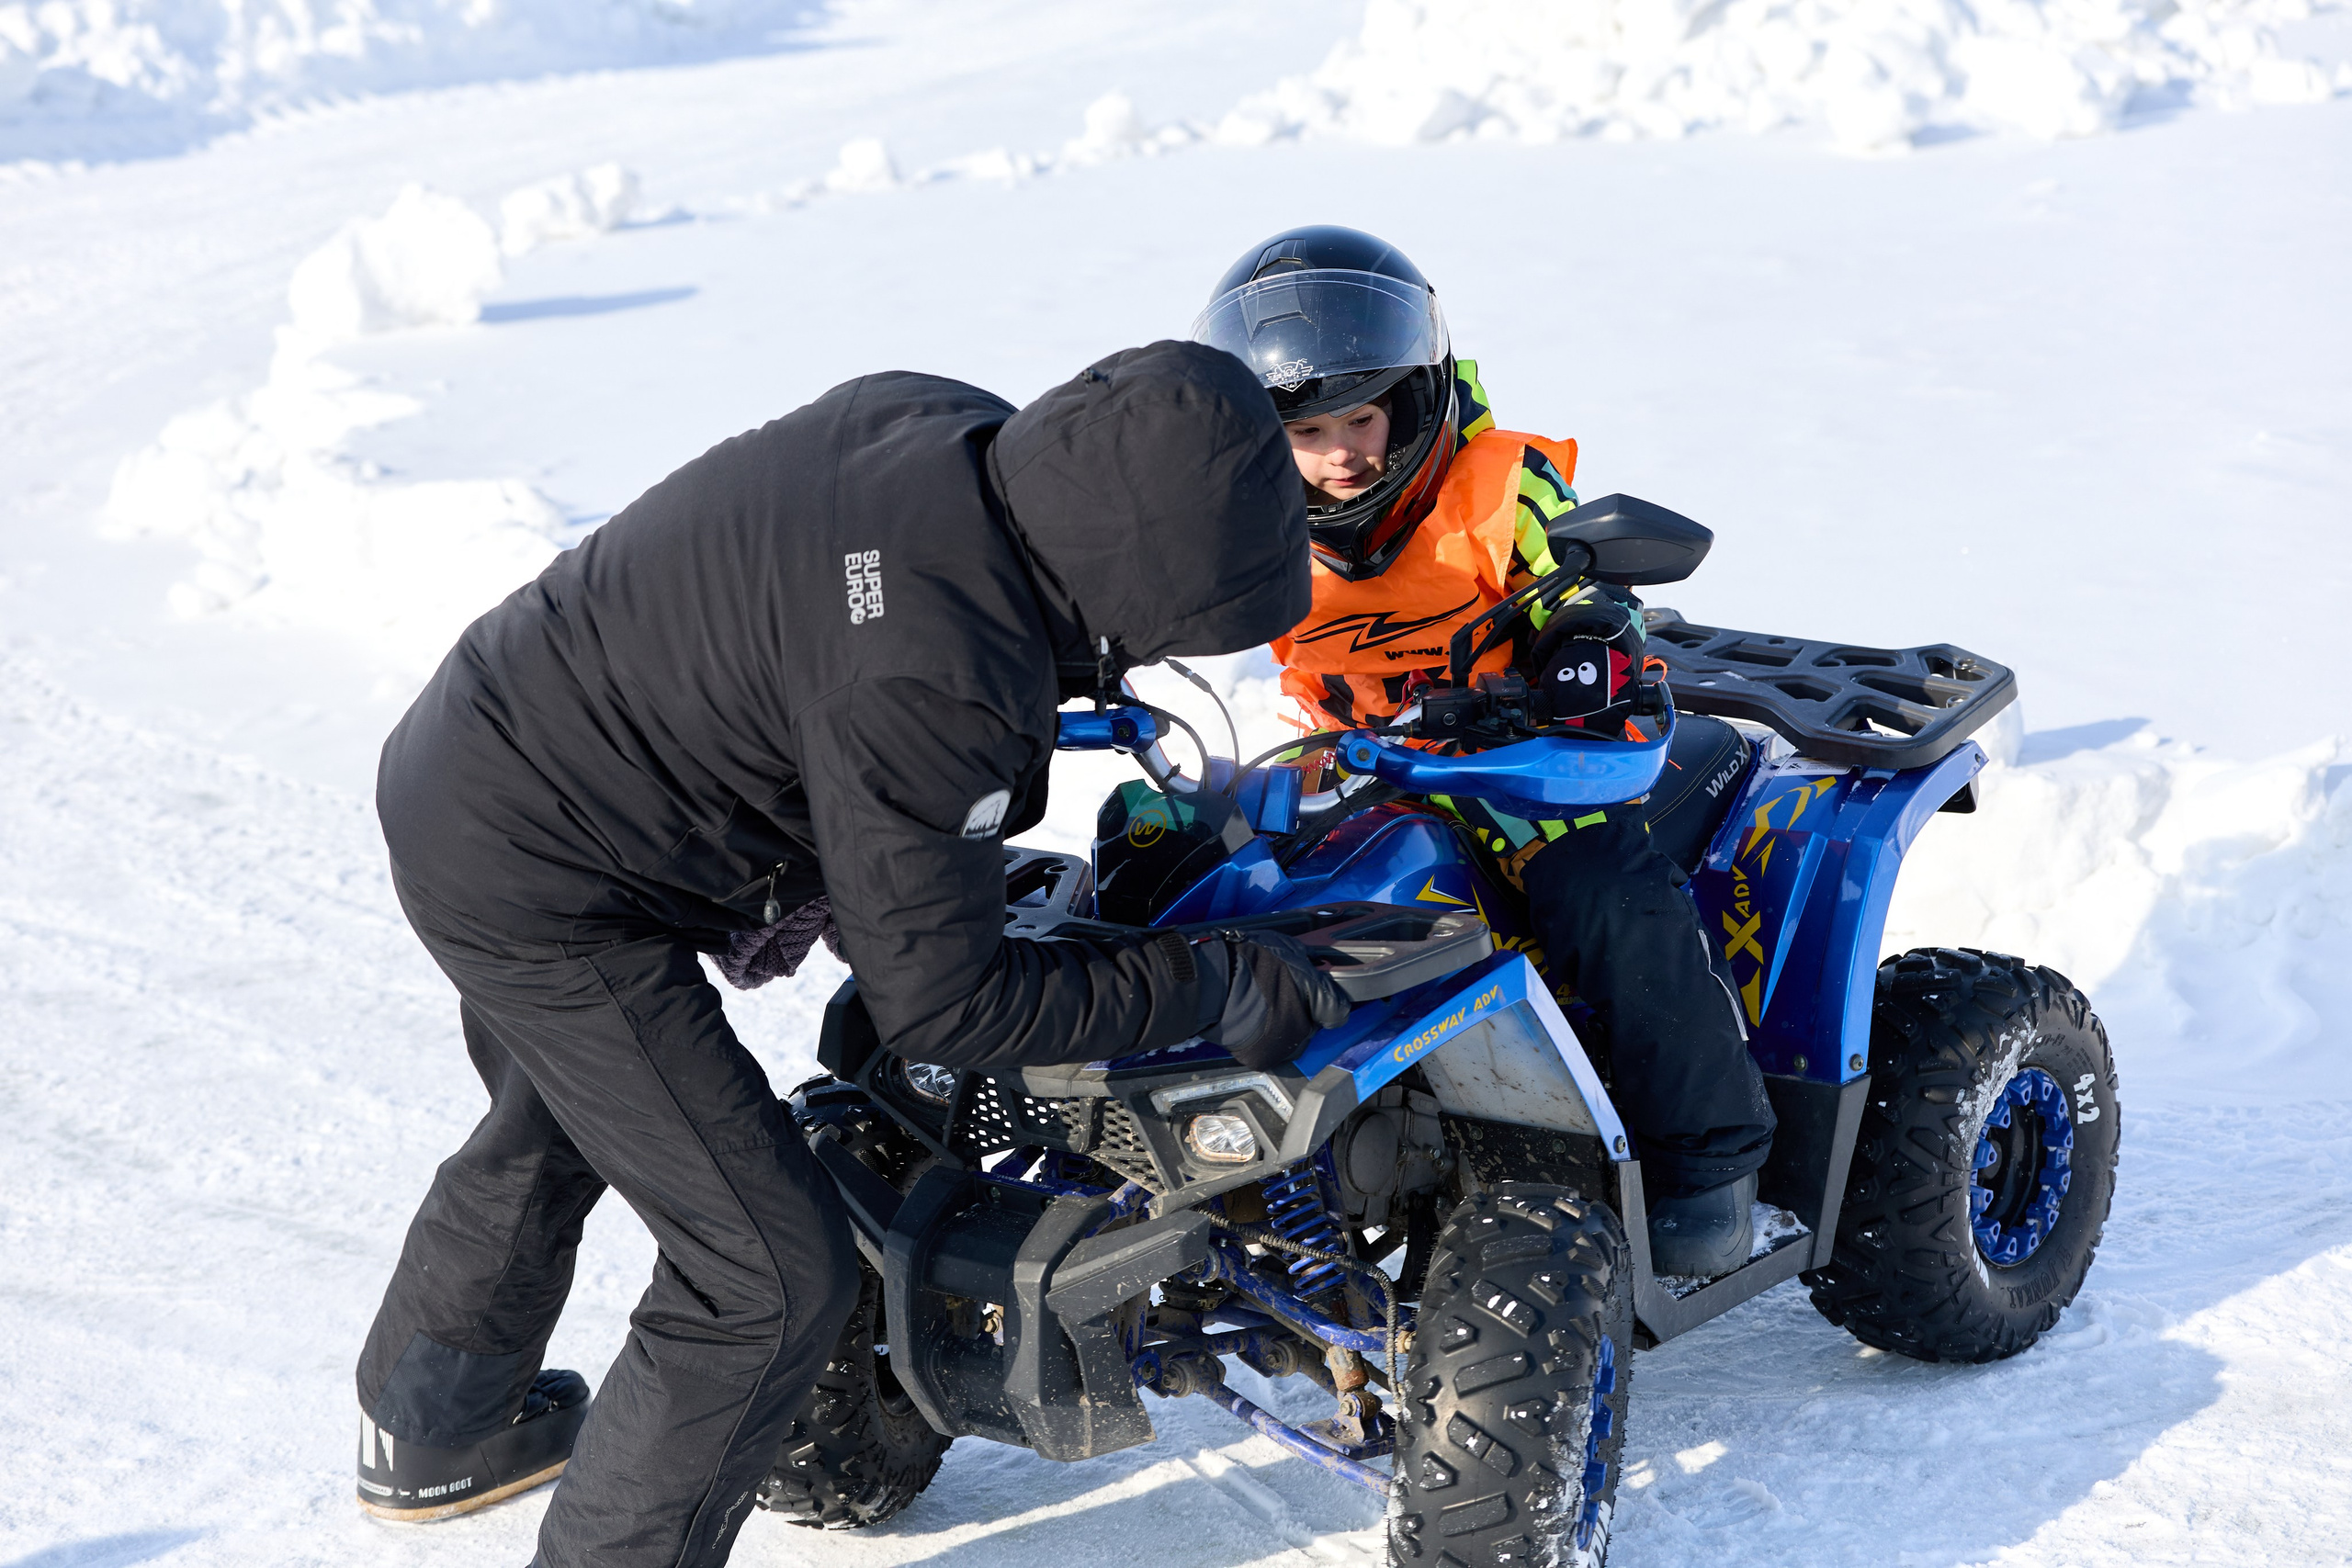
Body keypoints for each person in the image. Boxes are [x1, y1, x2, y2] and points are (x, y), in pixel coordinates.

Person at [352, 341, 1349, 1568]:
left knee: (569, 1109)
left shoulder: (948, 428)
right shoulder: (932, 673)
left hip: (483, 738)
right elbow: (947, 1000)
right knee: (766, 1274)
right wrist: (1219, 977)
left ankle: (438, 1423)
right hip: (548, 881)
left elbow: (833, 649)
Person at [1192, 226, 1774, 1276]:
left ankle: (1708, 1159)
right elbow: (1156, 600)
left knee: (1608, 902)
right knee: (1210, 890)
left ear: (1413, 402)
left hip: (1525, 772)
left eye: (1361, 417)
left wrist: (1582, 643)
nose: (1340, 456)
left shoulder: (1501, 491)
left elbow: (1578, 583)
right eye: (1308, 433)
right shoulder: (1254, 529)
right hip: (1352, 778)